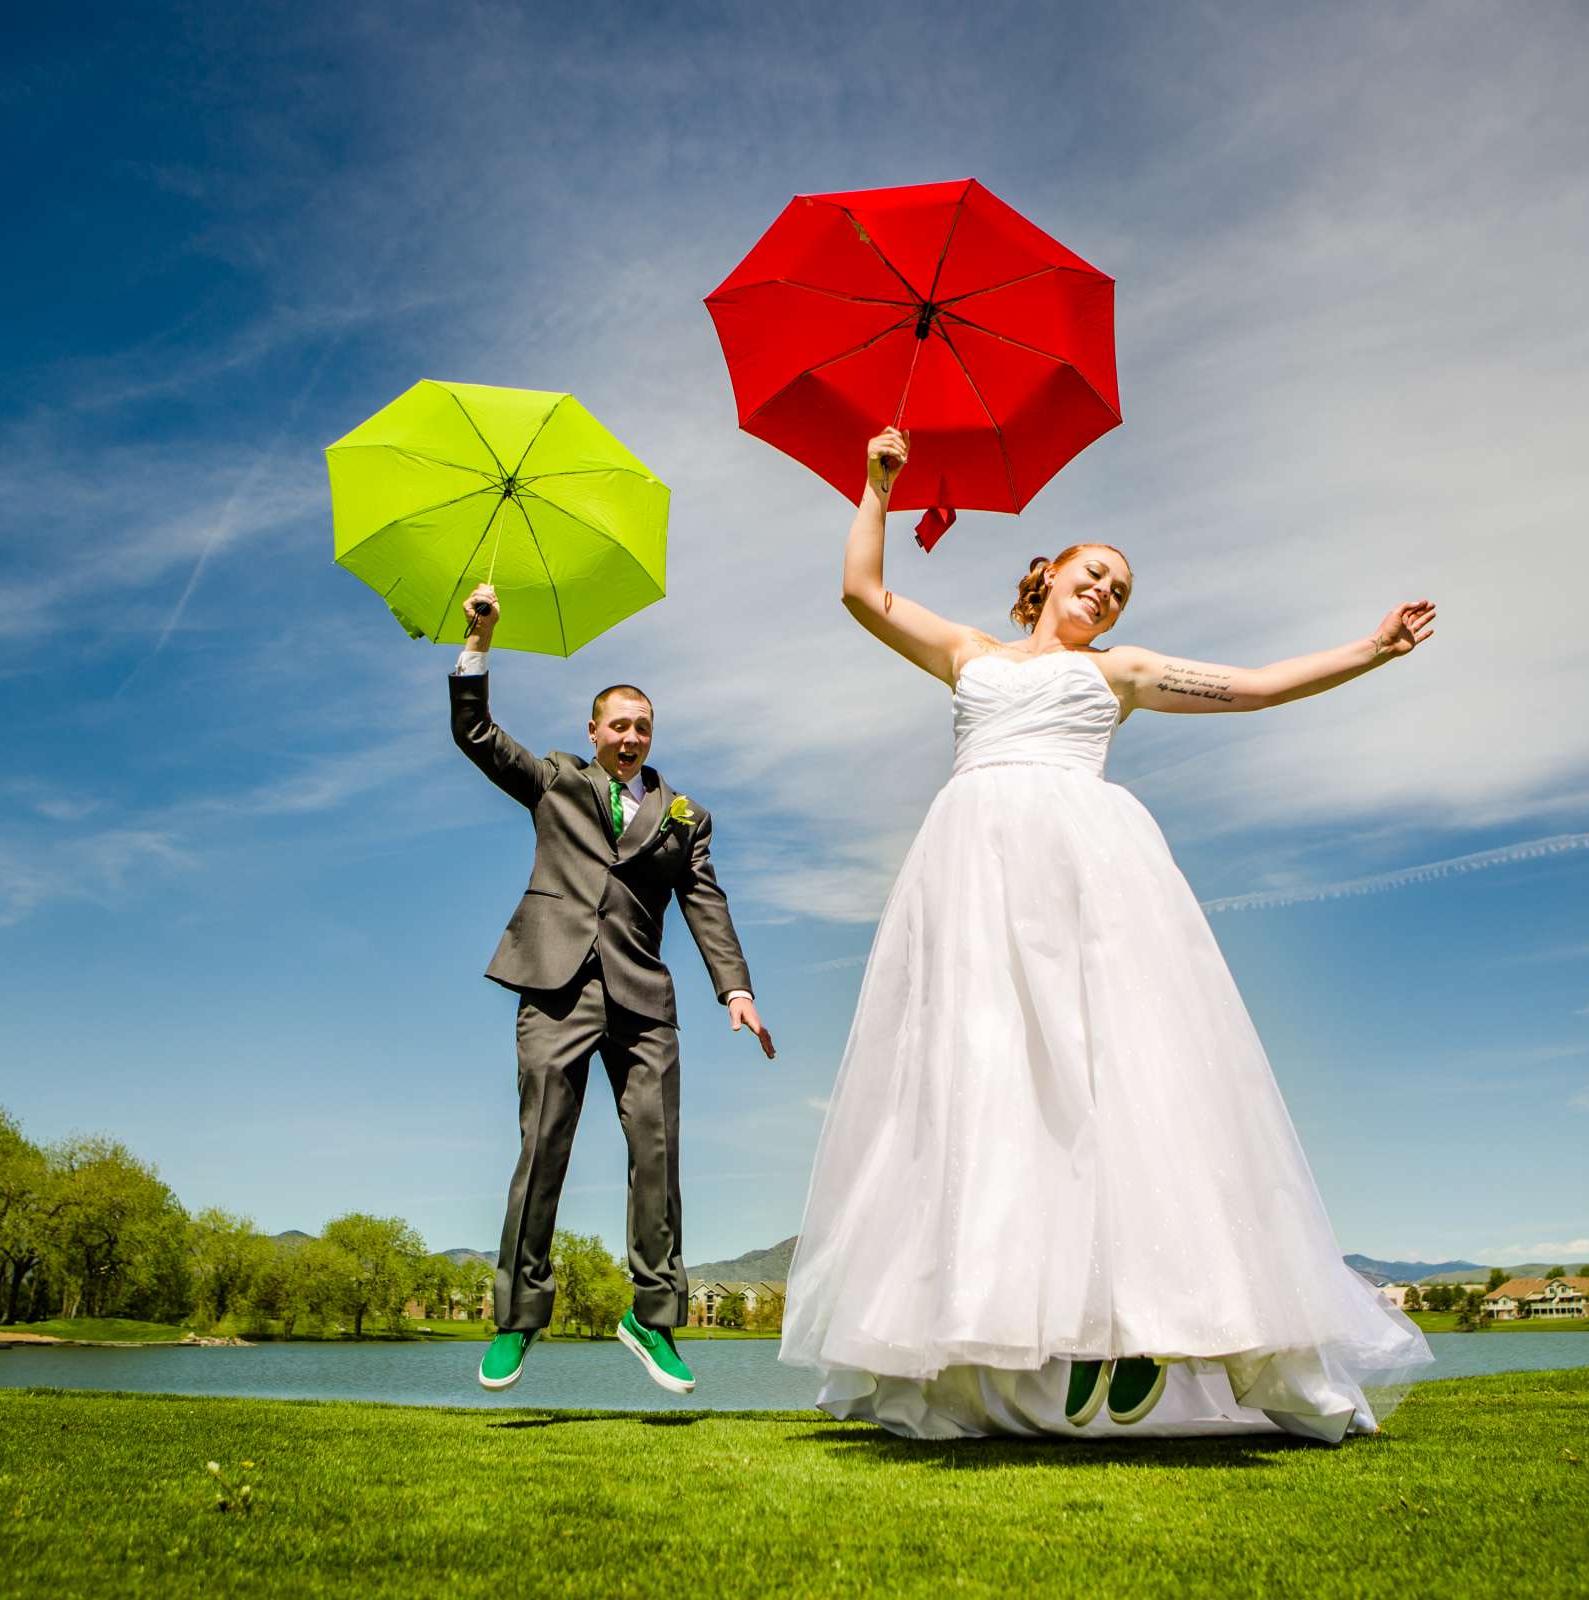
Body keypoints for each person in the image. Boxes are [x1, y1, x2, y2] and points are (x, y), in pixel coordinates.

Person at [777, 427, 1436, 1440]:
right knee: (990, 1085)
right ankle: (1017, 1336)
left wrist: (1371, 648)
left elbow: (1253, 685)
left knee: (1113, 1077)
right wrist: (874, 484)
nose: (1108, 593)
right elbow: (863, 591)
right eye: (1095, 574)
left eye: (1121, 588)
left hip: (1089, 877)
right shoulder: (969, 654)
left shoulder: (1119, 671)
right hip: (970, 879)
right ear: (1044, 578)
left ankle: (1140, 1323)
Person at [449, 582, 776, 1398]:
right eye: (618, 725)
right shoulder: (556, 780)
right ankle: (517, 1319)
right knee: (542, 1147)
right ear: (592, 732)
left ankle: (653, 1320)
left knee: (656, 1153)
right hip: (553, 985)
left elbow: (707, 903)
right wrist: (480, 641)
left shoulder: (684, 817)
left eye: (643, 728)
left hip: (642, 998)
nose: (630, 737)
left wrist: (734, 989)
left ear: (651, 738)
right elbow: (477, 734)